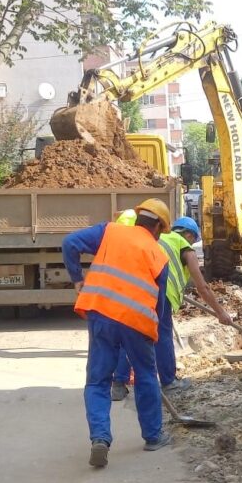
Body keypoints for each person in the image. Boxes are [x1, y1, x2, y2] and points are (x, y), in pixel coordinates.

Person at [61, 199, 175, 469]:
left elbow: (69, 243)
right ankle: (153, 436)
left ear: (138, 218)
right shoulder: (159, 255)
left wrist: (77, 278)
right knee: (146, 376)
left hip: (101, 314)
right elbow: (159, 305)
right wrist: (154, 332)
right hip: (137, 322)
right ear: (158, 227)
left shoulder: (110, 231)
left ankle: (100, 438)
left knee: (98, 381)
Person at [111, 215, 233, 398]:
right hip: (160, 295)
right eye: (193, 240)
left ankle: (118, 385)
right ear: (189, 235)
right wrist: (220, 312)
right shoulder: (185, 247)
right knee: (162, 336)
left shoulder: (156, 237)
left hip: (135, 290)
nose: (192, 243)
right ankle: (169, 382)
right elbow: (202, 287)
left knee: (130, 335)